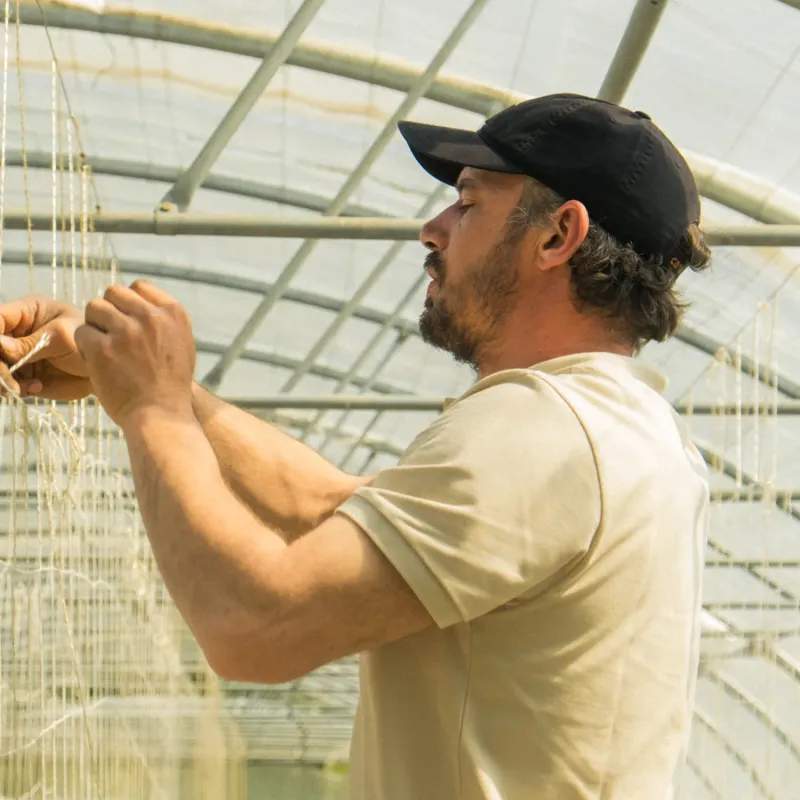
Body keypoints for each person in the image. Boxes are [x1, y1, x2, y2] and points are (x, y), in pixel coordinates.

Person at [0, 93, 711, 799]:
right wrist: (143, 382)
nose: (432, 229)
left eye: (468, 204)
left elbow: (253, 626)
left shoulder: (546, 429)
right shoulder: (629, 432)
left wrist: (154, 409)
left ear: (558, 236)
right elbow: (329, 506)